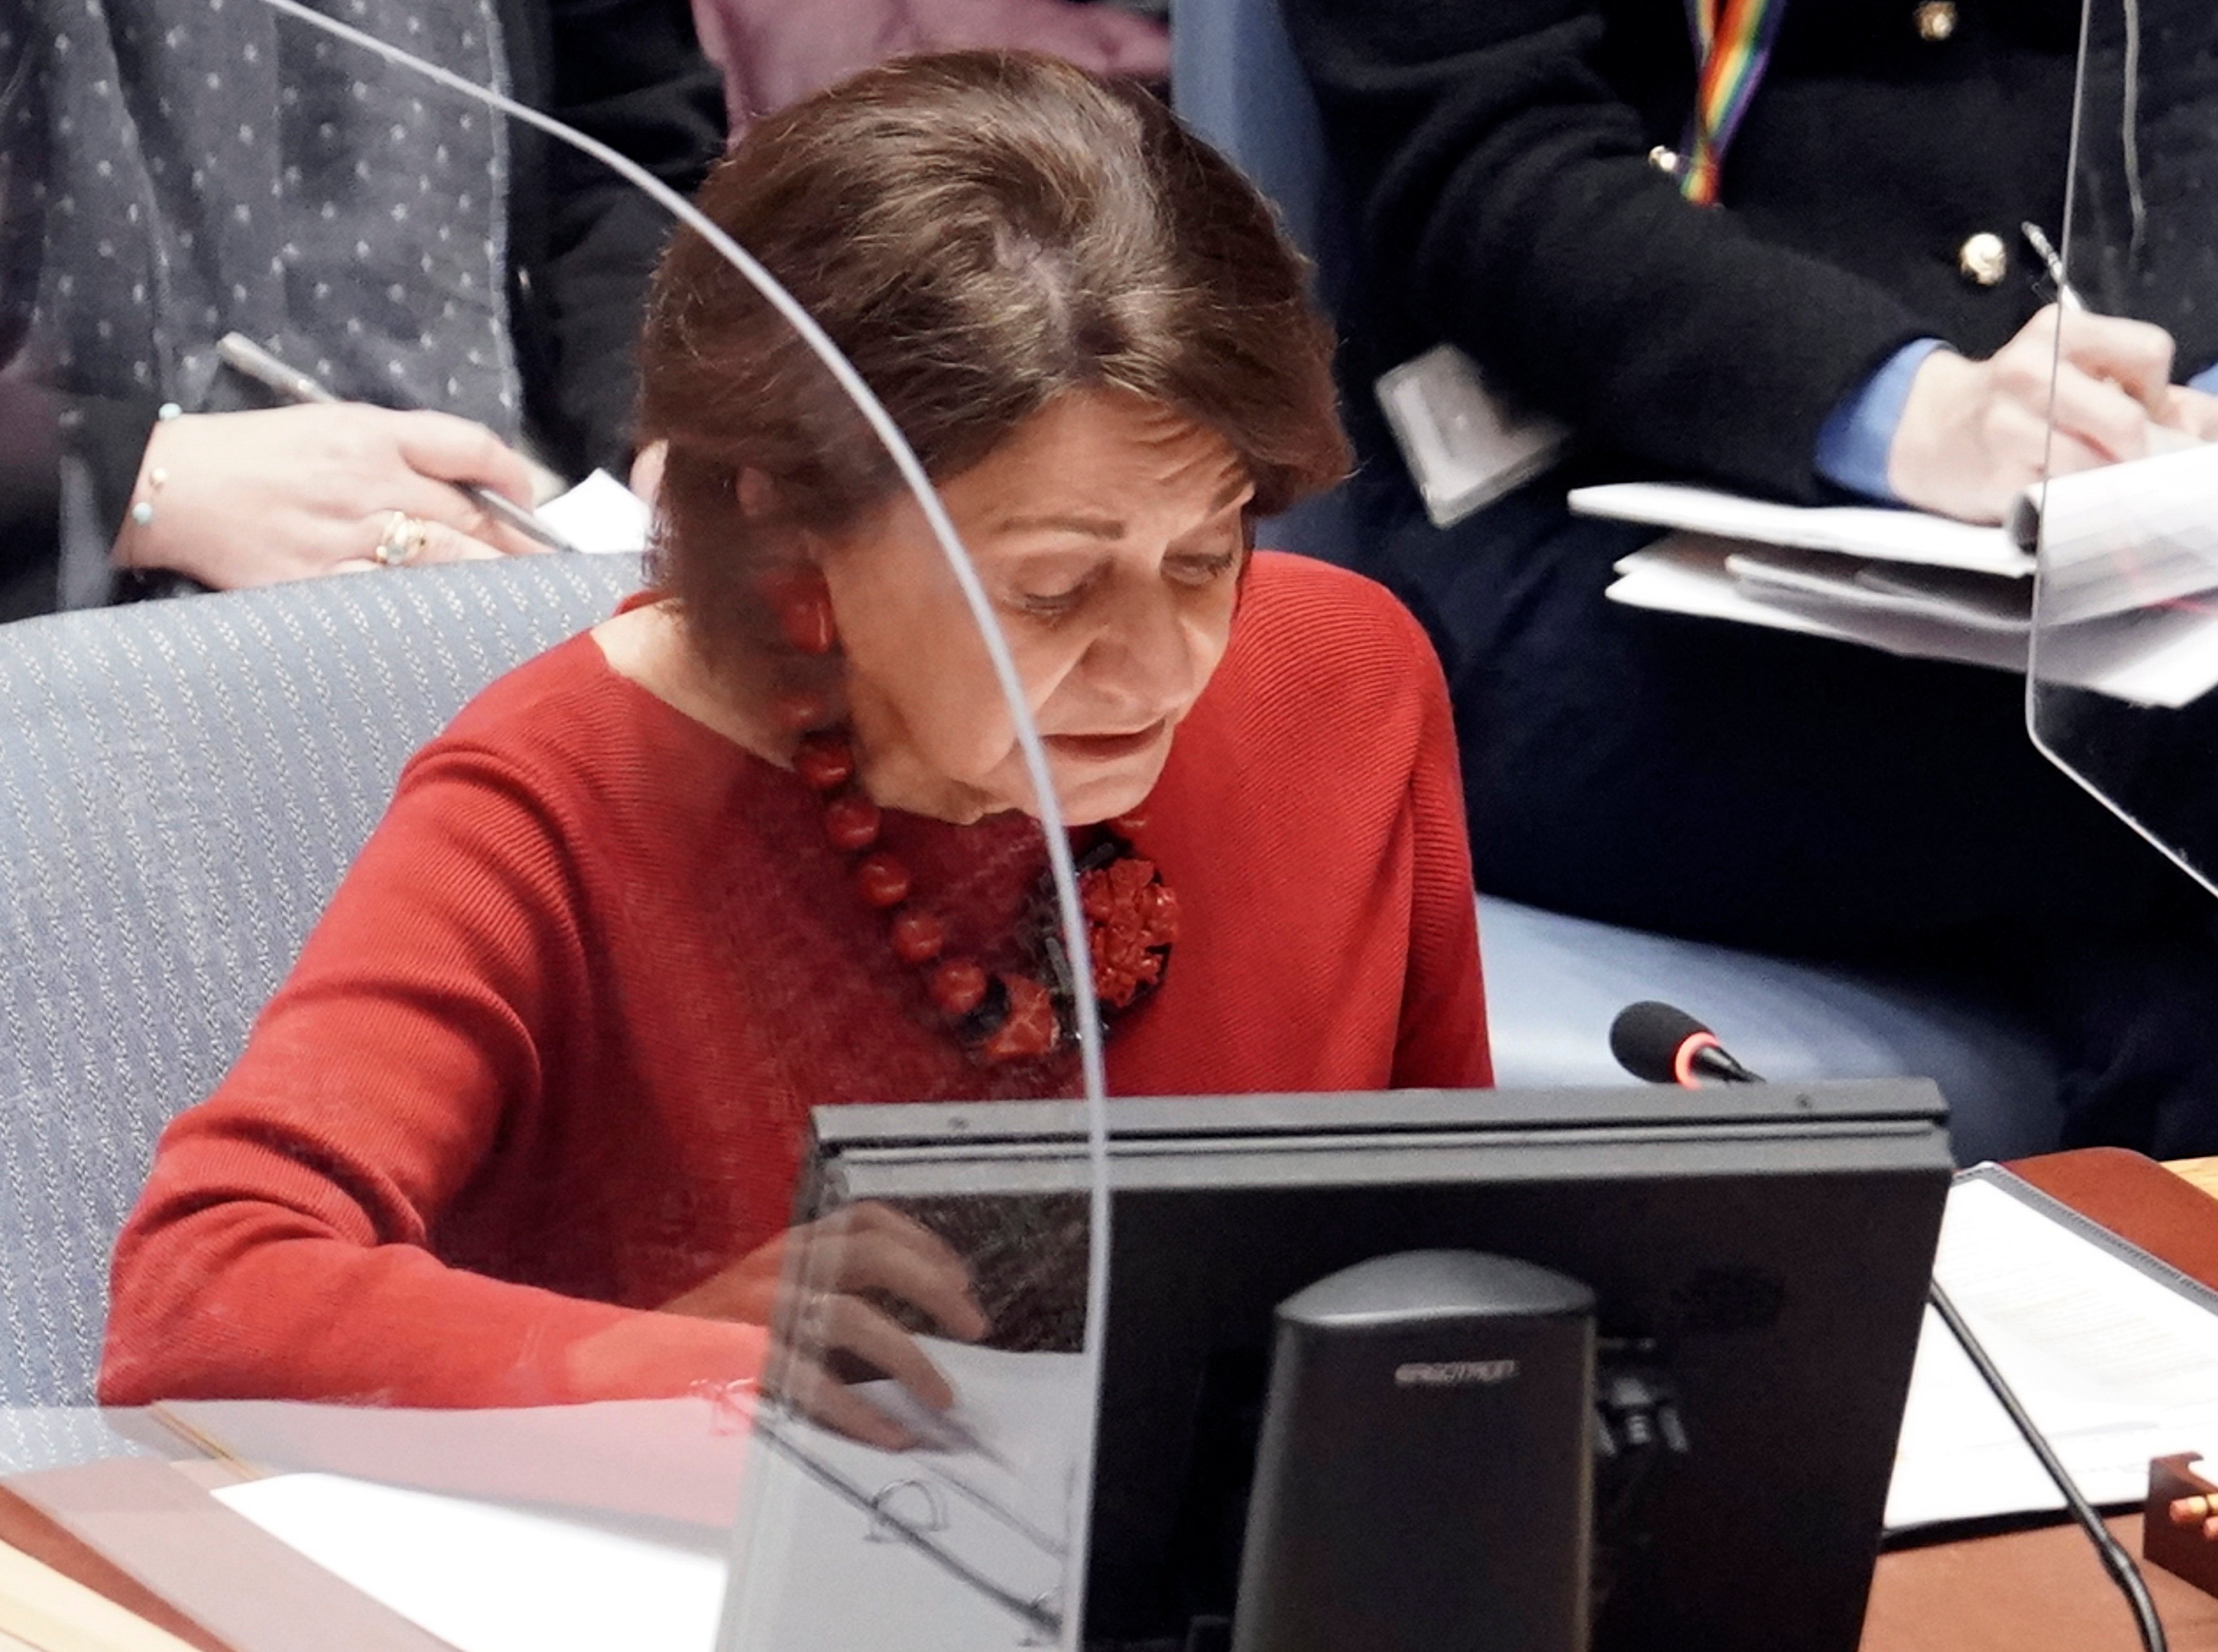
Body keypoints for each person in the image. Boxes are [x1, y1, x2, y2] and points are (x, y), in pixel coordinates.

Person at [101, 52, 1493, 1426]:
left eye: (1207, 555)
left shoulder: (1339, 679)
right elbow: (202, 1298)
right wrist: (697, 1376)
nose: (1165, 663)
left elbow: (1473, 1258)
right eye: (1054, 586)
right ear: (780, 513)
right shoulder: (570, 793)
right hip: (694, 1600)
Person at [1283, 0, 2218, 1155]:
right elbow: (1482, 157)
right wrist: (1906, 407)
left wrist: (2211, 373)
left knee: (2214, 1040)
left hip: (2055, 484)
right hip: (1588, 526)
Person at [0, 0, 725, 612]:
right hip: (67, 585)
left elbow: (625, 145)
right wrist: (136, 480)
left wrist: (664, 407)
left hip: (518, 519)